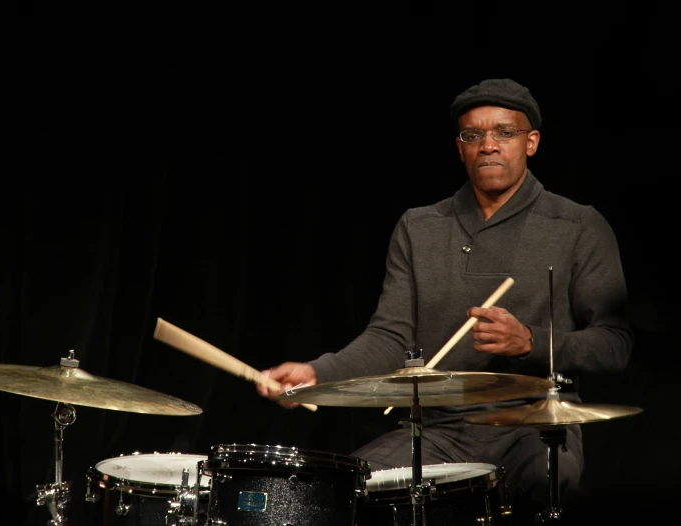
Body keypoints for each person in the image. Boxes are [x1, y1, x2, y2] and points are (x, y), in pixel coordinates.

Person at [256, 78, 634, 524]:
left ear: (531, 142)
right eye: (473, 135)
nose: (488, 145)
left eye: (504, 133)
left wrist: (530, 340)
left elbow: (615, 344)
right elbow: (391, 337)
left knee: (547, 488)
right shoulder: (420, 227)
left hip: (537, 427)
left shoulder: (577, 226)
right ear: (459, 147)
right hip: (441, 429)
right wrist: (319, 374)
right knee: (346, 495)